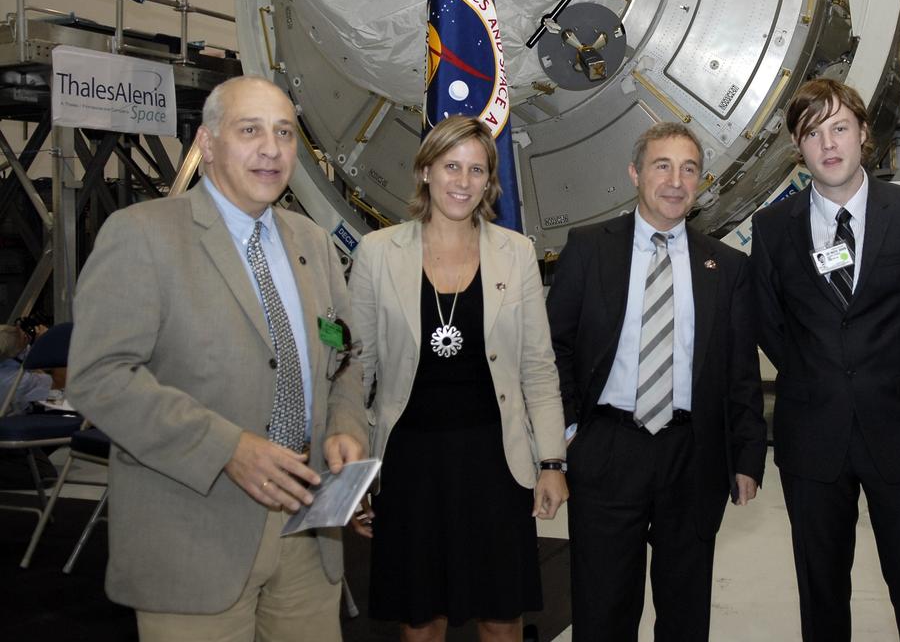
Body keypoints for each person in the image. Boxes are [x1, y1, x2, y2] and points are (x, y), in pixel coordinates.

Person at [66, 76, 367, 641]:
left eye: (283, 133)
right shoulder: (143, 236)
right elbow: (99, 377)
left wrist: (348, 426)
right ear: (207, 142)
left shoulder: (314, 243)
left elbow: (346, 355)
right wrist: (227, 449)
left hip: (307, 534)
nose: (271, 149)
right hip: (193, 531)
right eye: (249, 130)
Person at [750, 78, 900, 641]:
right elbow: (769, 324)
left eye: (839, 127)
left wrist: (890, 375)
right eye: (812, 132)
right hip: (813, 438)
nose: (829, 144)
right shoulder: (773, 228)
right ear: (799, 146)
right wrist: (820, 376)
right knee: (821, 591)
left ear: (865, 134)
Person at [348, 114, 568, 642]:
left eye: (476, 170)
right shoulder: (378, 254)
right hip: (409, 465)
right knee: (420, 620)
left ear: (490, 182)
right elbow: (355, 371)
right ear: (425, 171)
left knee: (501, 617)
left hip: (496, 463)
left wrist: (552, 461)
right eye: (451, 166)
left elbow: (538, 368)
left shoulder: (515, 254)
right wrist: (353, 476)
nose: (463, 182)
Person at [547, 122, 766, 642]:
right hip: (608, 449)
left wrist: (748, 456)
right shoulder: (588, 247)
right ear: (635, 173)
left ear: (701, 181)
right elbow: (554, 346)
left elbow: (740, 369)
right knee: (602, 612)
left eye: (688, 169)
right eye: (662, 166)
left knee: (685, 614)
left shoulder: (727, 266)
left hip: (693, 456)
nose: (675, 181)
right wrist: (571, 430)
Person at [0, 322, 53, 415]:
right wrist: (45, 344)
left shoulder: (7, 354)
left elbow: (22, 354)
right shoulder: (21, 380)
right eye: (25, 338)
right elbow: (57, 385)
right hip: (13, 423)